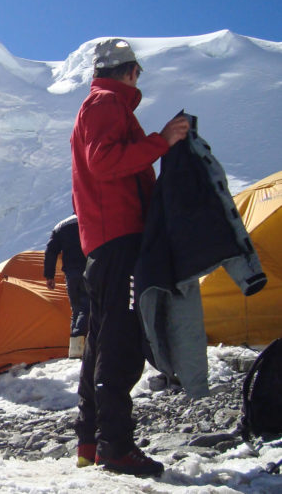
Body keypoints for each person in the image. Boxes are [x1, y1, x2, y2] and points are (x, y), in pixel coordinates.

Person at [70, 38, 189, 476]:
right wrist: (162, 142)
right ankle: (116, 447)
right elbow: (103, 163)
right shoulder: (106, 104)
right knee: (120, 343)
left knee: (101, 341)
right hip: (119, 237)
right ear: (131, 72)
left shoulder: (103, 105)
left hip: (106, 241)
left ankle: (91, 441)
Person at [43, 214, 88, 359]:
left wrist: (49, 276)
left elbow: (50, 251)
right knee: (88, 307)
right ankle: (83, 341)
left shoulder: (60, 226)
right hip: (89, 269)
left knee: (76, 310)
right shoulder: (86, 218)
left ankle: (75, 348)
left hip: (70, 274)